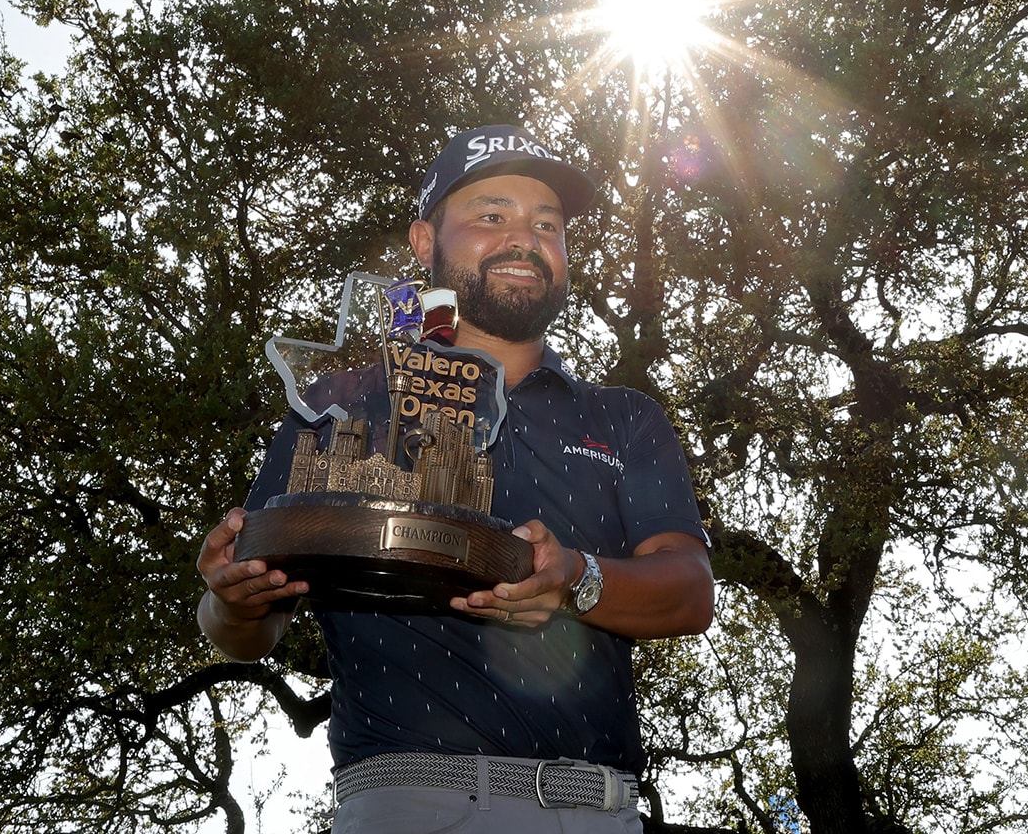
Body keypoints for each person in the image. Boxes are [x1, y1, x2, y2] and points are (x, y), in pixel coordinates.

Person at [197, 124, 714, 833]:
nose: (524, 239)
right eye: (491, 215)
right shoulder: (340, 402)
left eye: (547, 224)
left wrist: (573, 577)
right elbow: (244, 625)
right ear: (423, 241)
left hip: (600, 809)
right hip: (404, 801)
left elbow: (690, 592)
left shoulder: (623, 417)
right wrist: (233, 598)